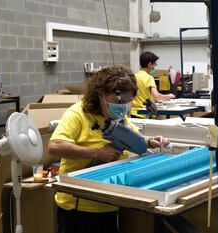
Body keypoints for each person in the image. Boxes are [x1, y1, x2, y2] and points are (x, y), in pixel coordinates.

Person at [48, 66, 170, 233]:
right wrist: (96, 153)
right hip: (79, 206)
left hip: (108, 201)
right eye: (118, 101)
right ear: (100, 94)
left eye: (127, 102)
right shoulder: (78, 113)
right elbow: (55, 146)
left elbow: (131, 137)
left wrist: (150, 142)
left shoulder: (118, 116)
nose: (122, 107)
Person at [131, 51, 175, 118]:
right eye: (154, 64)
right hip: (144, 113)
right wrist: (168, 96)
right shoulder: (149, 78)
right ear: (149, 64)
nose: (154, 66)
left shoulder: (134, 76)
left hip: (133, 112)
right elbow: (156, 96)